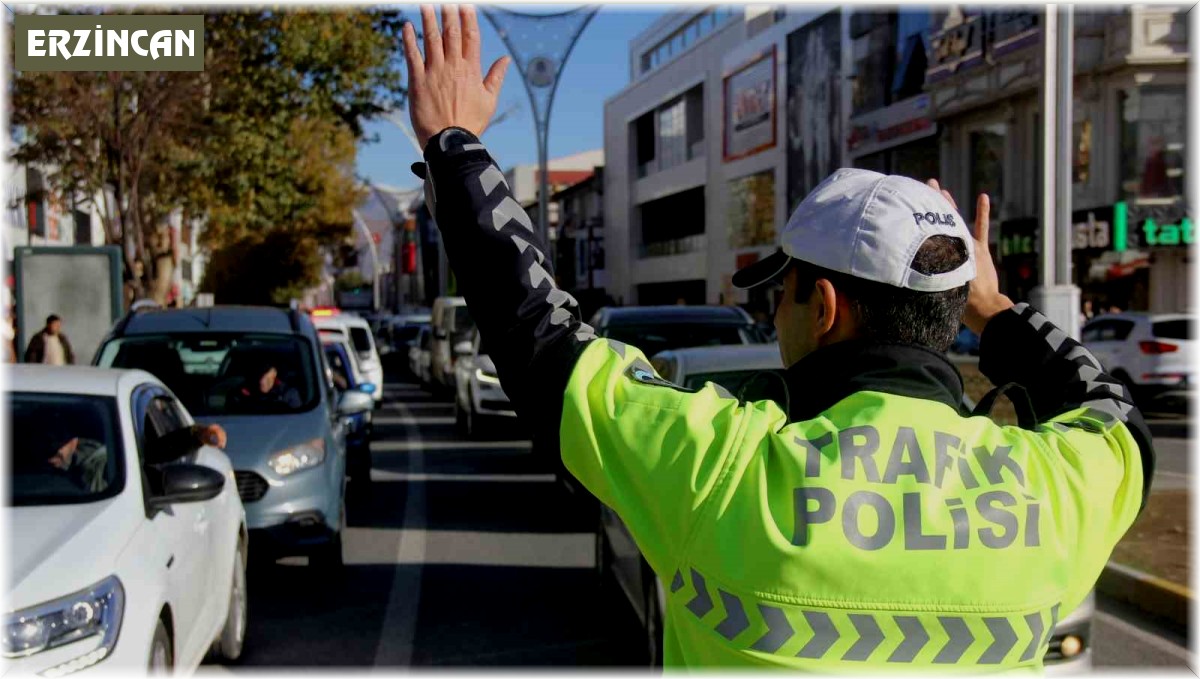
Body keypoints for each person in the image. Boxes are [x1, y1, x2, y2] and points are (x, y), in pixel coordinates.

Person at [400, 6, 1152, 669]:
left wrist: (455, 147)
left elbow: (544, 341)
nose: (773, 317)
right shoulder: (1045, 493)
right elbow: (1115, 416)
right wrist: (992, 309)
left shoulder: (729, 468)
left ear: (823, 305)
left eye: (781, 295)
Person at [232, 362, 302, 409]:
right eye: (259, 373)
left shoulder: (289, 393)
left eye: (266, 372)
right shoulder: (239, 394)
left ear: (275, 372)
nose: (262, 380)